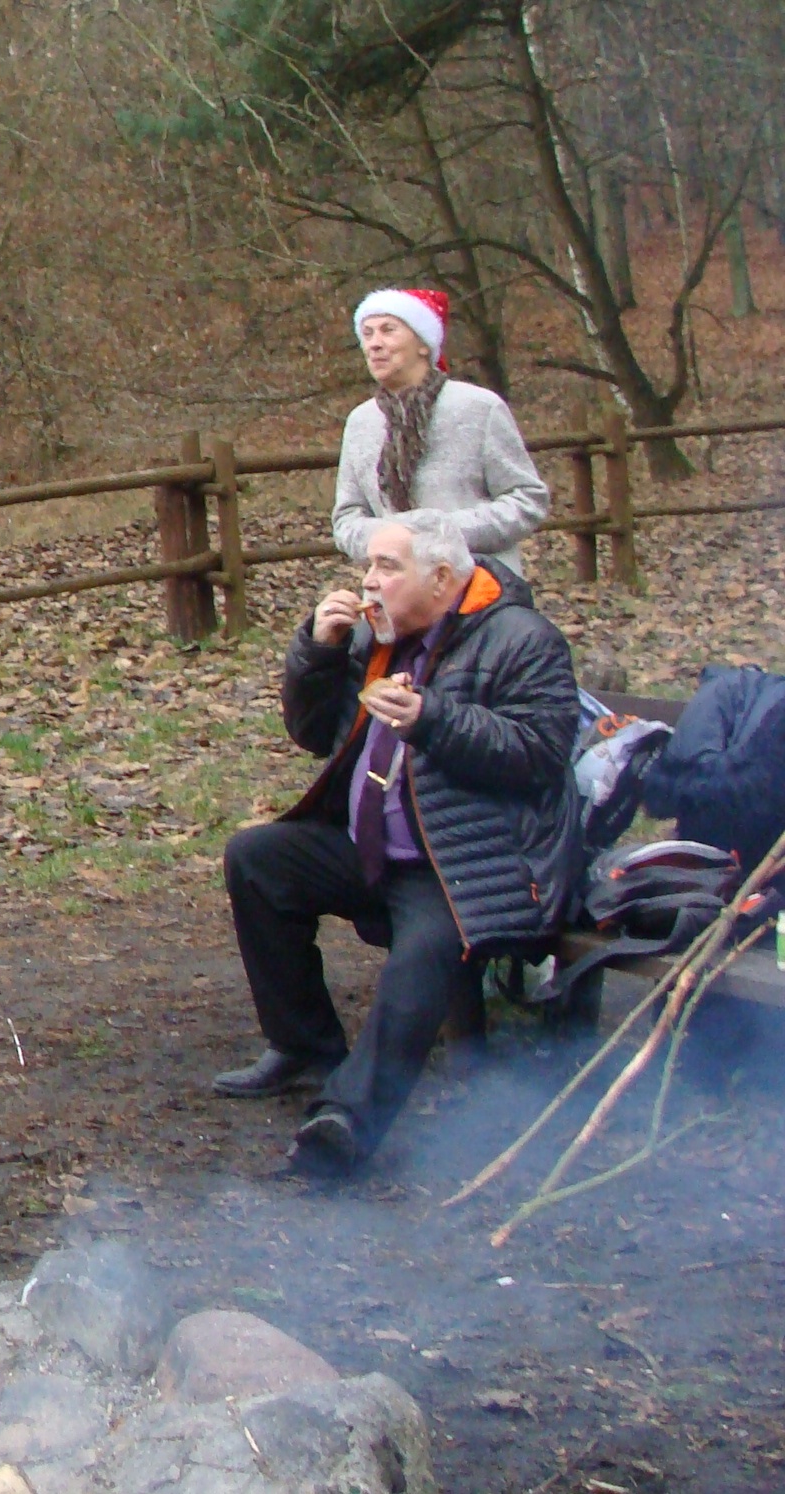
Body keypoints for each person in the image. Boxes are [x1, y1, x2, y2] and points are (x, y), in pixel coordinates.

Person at [213, 509, 581, 1176]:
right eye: (368, 567)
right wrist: (319, 654)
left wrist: (433, 720)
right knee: (258, 859)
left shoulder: (522, 639)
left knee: (423, 958)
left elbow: (541, 752)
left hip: (465, 863)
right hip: (370, 846)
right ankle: (305, 1046)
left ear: (441, 578)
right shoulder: (374, 637)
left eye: (387, 567)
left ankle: (347, 1121)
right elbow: (312, 733)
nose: (369, 581)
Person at [332, 288, 550, 575]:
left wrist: (440, 534)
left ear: (424, 343)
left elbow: (527, 499)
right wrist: (393, 539)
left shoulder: (478, 408)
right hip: (396, 592)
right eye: (367, 333)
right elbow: (347, 518)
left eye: (388, 330)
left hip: (481, 586)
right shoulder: (361, 422)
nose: (374, 344)